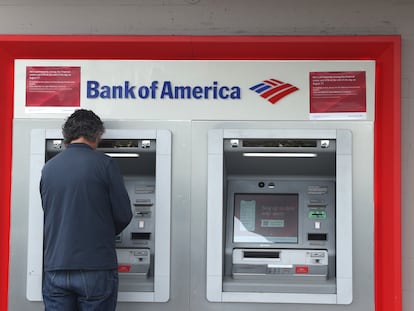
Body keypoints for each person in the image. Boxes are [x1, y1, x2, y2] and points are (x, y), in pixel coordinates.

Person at [40, 109, 133, 311]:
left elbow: (50, 212)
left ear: (67, 135)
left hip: (56, 266)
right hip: (96, 266)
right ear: (97, 133)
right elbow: (123, 215)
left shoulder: (49, 168)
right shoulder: (105, 164)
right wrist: (100, 232)